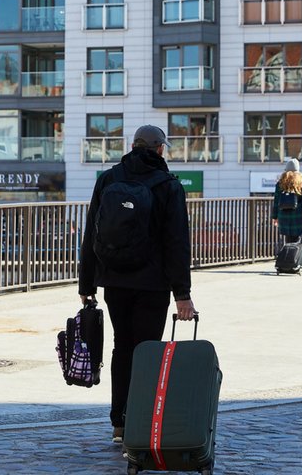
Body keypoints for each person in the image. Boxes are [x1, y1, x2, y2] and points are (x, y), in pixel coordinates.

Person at [78, 124, 197, 445]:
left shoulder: (108, 179)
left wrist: (86, 283)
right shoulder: (168, 185)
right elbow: (177, 242)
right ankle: (141, 421)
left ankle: (119, 422)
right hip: (153, 283)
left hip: (114, 279)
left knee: (122, 347)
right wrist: (182, 294)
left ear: (132, 146)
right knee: (148, 352)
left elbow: (91, 233)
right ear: (160, 149)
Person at [271, 158, 302, 243]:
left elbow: (276, 202)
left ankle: (288, 255)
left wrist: (274, 217)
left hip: (283, 217)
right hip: (297, 218)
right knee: (296, 242)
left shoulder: (280, 184)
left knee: (287, 241)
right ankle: (293, 256)